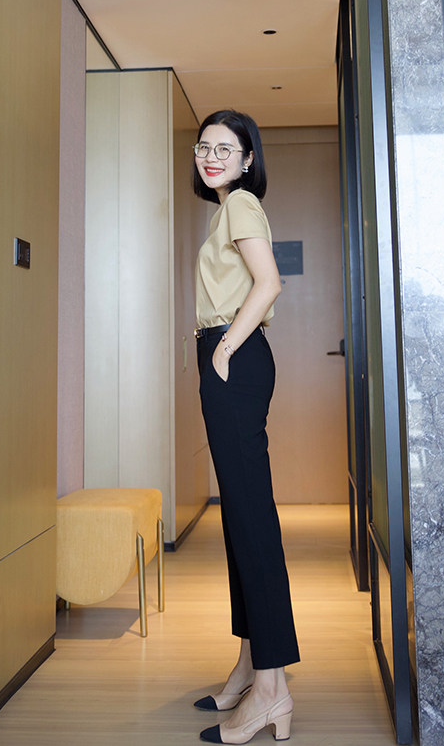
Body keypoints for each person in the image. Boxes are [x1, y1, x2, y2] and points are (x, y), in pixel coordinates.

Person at [192, 110, 299, 745]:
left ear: (248, 158)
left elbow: (269, 283)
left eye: (225, 148)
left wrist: (225, 349)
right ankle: (248, 667)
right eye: (204, 146)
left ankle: (271, 690)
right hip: (228, 355)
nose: (211, 156)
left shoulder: (241, 206)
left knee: (251, 520)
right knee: (240, 517)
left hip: (233, 355)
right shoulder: (226, 209)